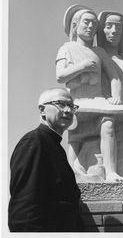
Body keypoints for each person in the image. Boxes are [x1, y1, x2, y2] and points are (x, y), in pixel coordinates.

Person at [56, 5, 123, 182]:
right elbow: (60, 76)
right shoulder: (66, 48)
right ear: (75, 25)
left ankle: (111, 172)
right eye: (86, 22)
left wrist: (116, 96)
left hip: (99, 101)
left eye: (94, 24)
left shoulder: (99, 52)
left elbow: (114, 77)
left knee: (108, 125)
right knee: (75, 138)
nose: (90, 27)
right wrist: (82, 67)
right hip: (78, 103)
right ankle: (70, 176)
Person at [8, 87, 84, 232]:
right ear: (42, 110)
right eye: (60, 104)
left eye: (71, 106)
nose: (68, 110)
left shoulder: (55, 146)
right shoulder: (35, 141)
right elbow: (24, 210)